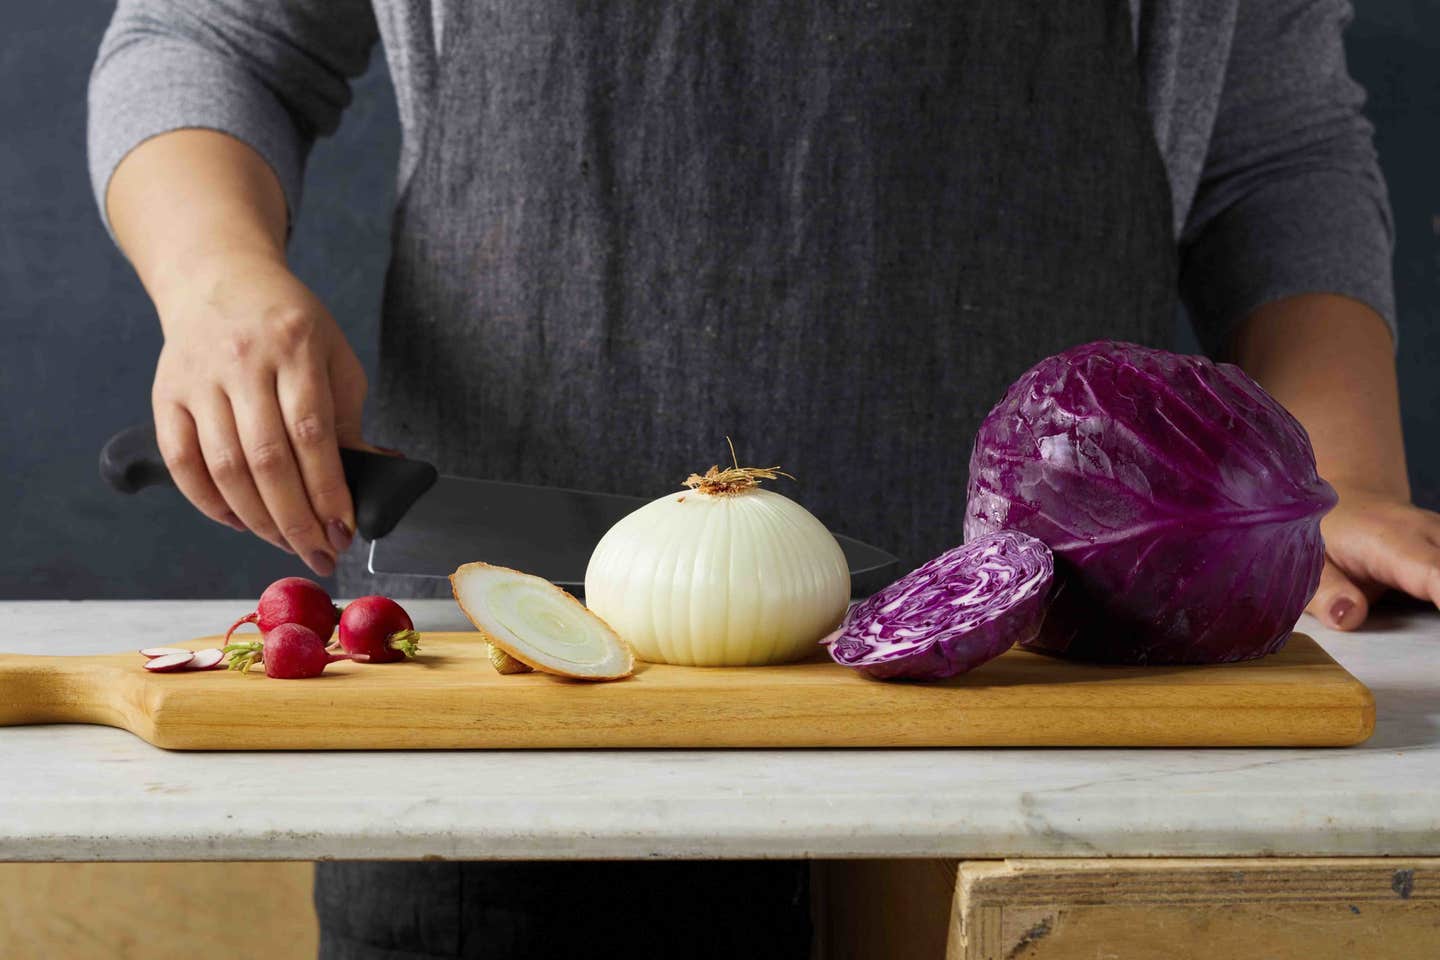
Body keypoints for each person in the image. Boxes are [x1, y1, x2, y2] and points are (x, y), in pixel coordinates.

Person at [88, 0, 1438, 956]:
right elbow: (207, 36)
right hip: (526, 734)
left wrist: (1337, 477)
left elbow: (1276, 145)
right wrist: (215, 282)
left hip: (1066, 719)